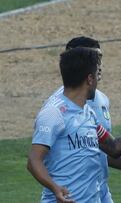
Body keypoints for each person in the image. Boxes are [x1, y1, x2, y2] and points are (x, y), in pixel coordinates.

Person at [44, 36, 121, 203]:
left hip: (99, 190)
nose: (99, 66)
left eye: (100, 59)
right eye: (94, 59)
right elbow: (38, 159)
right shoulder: (56, 108)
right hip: (71, 193)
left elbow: (103, 148)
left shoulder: (101, 100)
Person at [27, 47, 104, 202]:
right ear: (90, 79)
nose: (98, 79)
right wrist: (55, 188)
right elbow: (33, 161)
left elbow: (111, 146)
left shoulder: (88, 111)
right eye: (97, 75)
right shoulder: (53, 113)